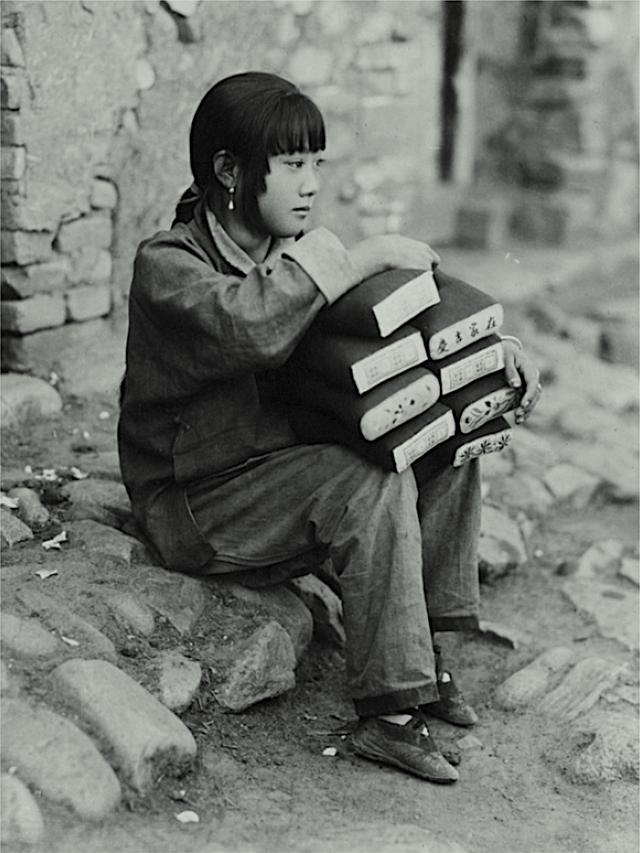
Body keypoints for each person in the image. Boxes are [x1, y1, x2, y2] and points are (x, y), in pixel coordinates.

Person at [118, 71, 541, 784]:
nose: (311, 184)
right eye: (292, 165)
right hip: (201, 500)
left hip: (279, 463)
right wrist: (360, 256)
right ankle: (391, 715)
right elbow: (250, 326)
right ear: (229, 170)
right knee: (367, 483)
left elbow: (390, 322)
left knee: (448, 436)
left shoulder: (289, 251)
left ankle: (423, 649)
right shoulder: (168, 265)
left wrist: (492, 354)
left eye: (317, 163)